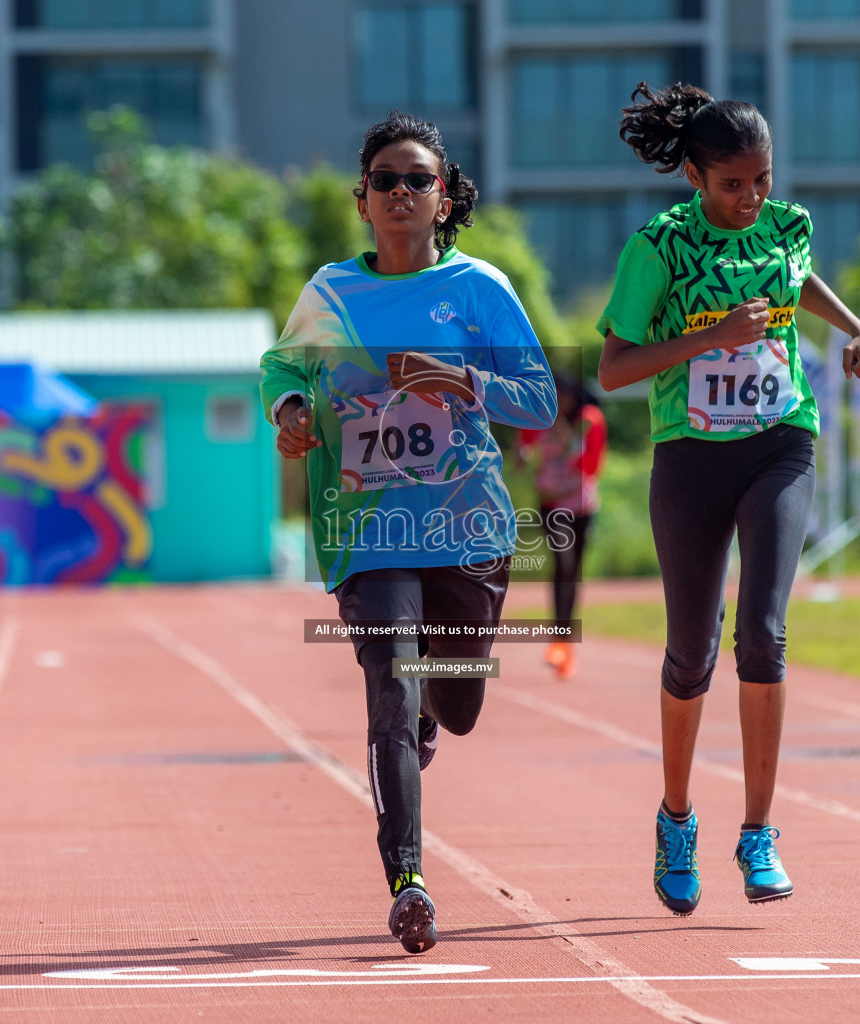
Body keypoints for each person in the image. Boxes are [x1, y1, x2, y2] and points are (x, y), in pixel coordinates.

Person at [259, 112, 555, 954]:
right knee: (392, 685)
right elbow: (284, 366)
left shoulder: (478, 290)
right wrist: (290, 410)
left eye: (417, 179)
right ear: (362, 199)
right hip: (368, 530)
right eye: (384, 179)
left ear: (445, 196)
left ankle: (431, 720)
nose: (400, 192)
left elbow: (539, 400)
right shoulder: (329, 293)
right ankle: (410, 882)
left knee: (453, 706)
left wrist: (463, 379)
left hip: (467, 530)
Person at [595, 83, 860, 915]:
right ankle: (677, 818)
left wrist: (857, 334)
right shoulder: (659, 246)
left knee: (762, 632)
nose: (751, 197)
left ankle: (758, 834)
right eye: (732, 184)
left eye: (761, 179)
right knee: (693, 649)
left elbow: (803, 279)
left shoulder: (787, 225)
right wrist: (710, 339)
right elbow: (614, 369)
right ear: (693, 175)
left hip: (781, 438)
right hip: (689, 454)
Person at [516, 371, 607, 678]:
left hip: (581, 505)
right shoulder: (541, 418)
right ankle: (559, 640)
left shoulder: (590, 420)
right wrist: (522, 453)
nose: (560, 402)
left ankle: (564, 641)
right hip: (551, 505)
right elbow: (524, 444)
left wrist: (568, 439)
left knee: (573, 571)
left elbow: (592, 467)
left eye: (564, 395)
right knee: (564, 565)